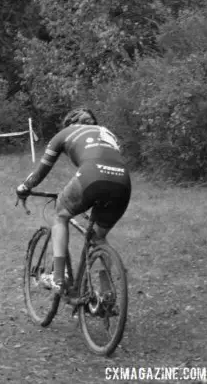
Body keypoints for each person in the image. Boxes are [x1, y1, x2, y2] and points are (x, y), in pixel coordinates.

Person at [16, 108, 131, 295]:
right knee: (98, 237)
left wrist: (24, 188)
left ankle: (59, 277)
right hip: (123, 182)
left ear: (70, 123)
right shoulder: (109, 134)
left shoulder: (65, 133)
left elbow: (40, 173)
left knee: (60, 215)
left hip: (92, 175)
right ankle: (106, 292)